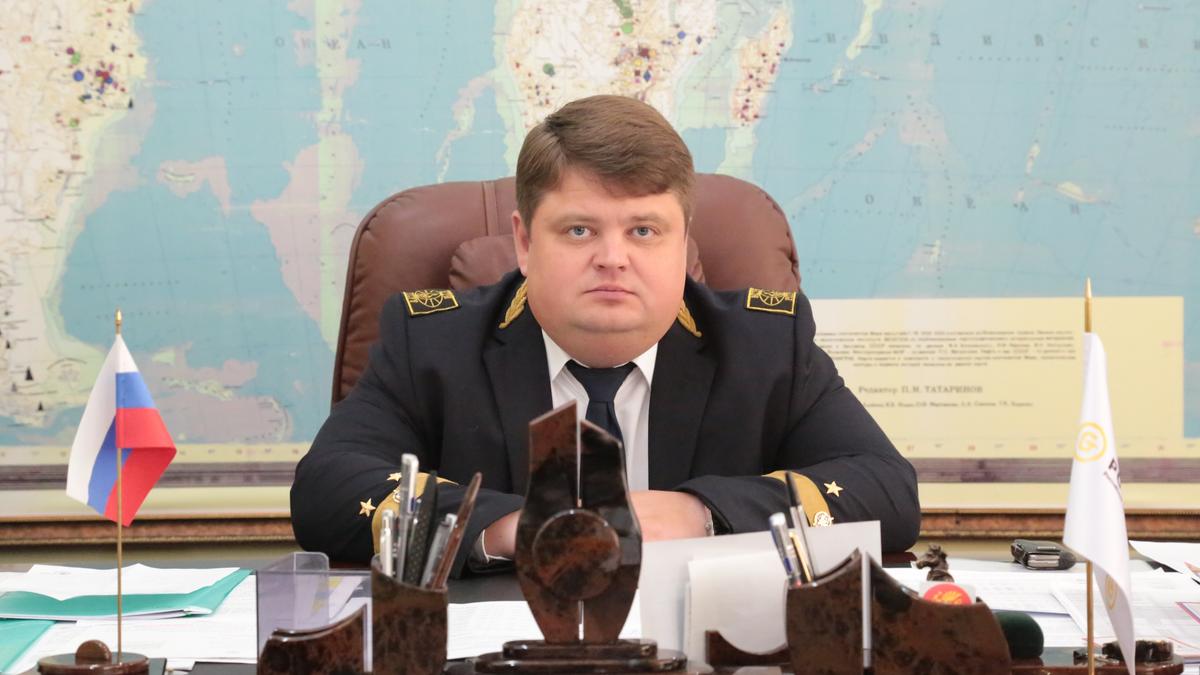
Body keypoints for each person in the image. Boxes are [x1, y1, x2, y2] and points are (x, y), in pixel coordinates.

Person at [291, 95, 920, 574]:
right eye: (579, 231)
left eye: (644, 231)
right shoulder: (434, 344)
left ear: (683, 244)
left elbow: (887, 491)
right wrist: (509, 528)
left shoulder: (767, 346)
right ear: (523, 241)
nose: (613, 259)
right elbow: (327, 489)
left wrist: (700, 513)